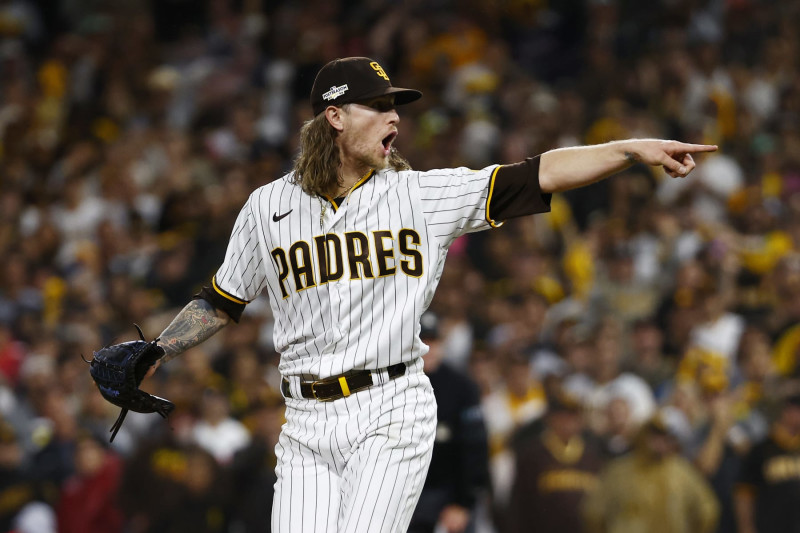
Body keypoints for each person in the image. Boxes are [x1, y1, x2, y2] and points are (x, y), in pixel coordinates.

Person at [138, 57, 717, 532]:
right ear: (335, 117)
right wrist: (154, 352)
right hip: (305, 421)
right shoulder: (268, 207)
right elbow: (220, 302)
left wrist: (630, 149)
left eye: (397, 107)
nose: (396, 118)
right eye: (381, 106)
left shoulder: (420, 196)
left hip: (392, 405)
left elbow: (536, 174)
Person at [408, 311, 489, 533]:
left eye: (433, 341)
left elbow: (475, 448)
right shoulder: (394, 384)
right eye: (421, 341)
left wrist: (463, 502)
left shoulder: (461, 387)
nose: (427, 348)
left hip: (446, 494)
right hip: (402, 492)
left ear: (442, 343)